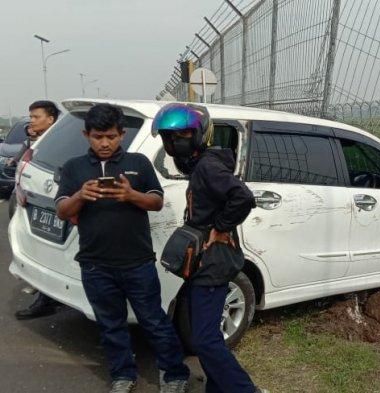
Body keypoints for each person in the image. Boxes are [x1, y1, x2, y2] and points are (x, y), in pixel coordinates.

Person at [55, 104, 190, 393]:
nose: (105, 143)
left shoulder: (139, 163)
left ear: (122, 134)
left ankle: (175, 373)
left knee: (153, 320)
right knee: (110, 325)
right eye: (98, 136)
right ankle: (122, 375)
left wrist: (131, 195)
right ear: (86, 134)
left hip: (137, 262)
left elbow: (156, 201)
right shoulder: (74, 167)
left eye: (112, 136)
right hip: (95, 264)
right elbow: (62, 211)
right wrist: (80, 195)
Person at [154, 103, 267, 393]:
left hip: (212, 263)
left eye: (181, 136)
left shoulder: (208, 166)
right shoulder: (202, 163)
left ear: (199, 136)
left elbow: (242, 197)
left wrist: (220, 227)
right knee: (206, 335)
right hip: (205, 260)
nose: (173, 143)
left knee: (204, 340)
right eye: (168, 137)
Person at [14, 100, 62, 320]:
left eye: (36, 117)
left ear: (51, 119)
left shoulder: (58, 141)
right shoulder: (42, 141)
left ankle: (47, 299)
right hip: (34, 203)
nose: (31, 121)